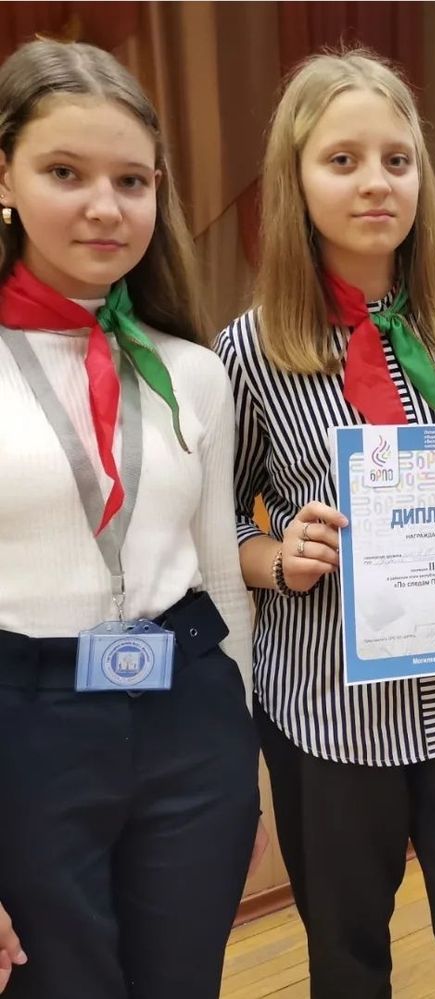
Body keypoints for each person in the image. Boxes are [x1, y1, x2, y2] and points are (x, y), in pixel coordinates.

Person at [215, 49, 435, 999]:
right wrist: (278, 556)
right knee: (348, 958)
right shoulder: (250, 352)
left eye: (397, 160)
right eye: (343, 160)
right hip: (331, 716)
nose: (376, 183)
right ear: (295, 179)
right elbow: (218, 529)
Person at [0, 39, 260, 999]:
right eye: (65, 173)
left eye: (133, 180)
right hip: (26, 729)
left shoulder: (193, 369)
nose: (106, 207)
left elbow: (220, 574)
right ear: (5, 177)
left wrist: (238, 747)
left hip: (189, 715)